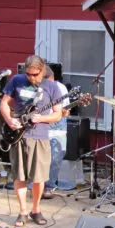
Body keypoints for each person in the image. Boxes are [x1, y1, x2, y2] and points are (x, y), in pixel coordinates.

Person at [0, 56, 62, 227]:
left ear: (42, 70)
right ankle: (22, 212)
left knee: (38, 177)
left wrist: (41, 117)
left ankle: (36, 209)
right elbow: (5, 103)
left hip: (40, 136)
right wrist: (10, 120)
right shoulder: (17, 81)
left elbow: (58, 113)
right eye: (28, 74)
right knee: (19, 175)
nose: (31, 78)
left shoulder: (51, 86)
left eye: (35, 74)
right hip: (19, 136)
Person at [44, 65, 72, 197]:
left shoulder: (60, 88)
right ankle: (37, 183)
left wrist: (64, 112)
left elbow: (66, 111)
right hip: (40, 124)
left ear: (52, 77)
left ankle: (49, 185)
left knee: (55, 156)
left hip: (57, 125)